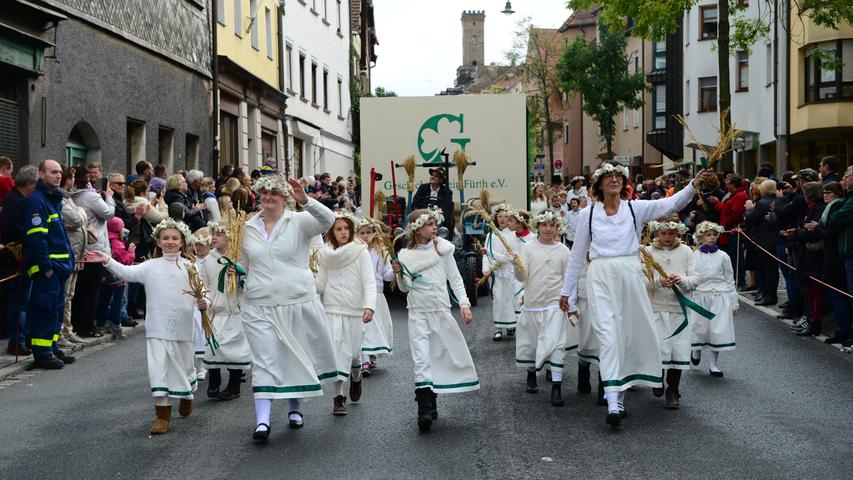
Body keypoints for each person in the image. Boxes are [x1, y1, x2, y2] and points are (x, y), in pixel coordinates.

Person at [560, 162, 709, 429]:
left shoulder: (634, 208)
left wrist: (693, 185)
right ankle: (612, 400)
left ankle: (621, 394)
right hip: (600, 275)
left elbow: (670, 204)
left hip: (629, 274)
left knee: (627, 335)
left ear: (624, 183)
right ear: (599, 184)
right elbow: (576, 255)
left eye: (618, 177)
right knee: (607, 336)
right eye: (609, 177)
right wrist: (566, 292)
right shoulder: (588, 215)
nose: (614, 180)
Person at [237, 174, 337, 442]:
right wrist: (235, 280)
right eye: (264, 193)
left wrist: (306, 200)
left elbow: (329, 221)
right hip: (259, 304)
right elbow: (242, 263)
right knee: (265, 359)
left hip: (296, 301)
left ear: (284, 197)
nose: (268, 197)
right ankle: (262, 421)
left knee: (294, 356)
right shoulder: (247, 227)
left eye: (274, 193)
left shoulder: (300, 221)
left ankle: (294, 409)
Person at [86, 218, 202, 434]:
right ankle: (162, 414)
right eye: (165, 238)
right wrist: (107, 260)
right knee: (158, 368)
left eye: (174, 238)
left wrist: (204, 303)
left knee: (184, 366)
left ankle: (187, 392)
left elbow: (202, 294)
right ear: (158, 241)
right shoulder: (150, 266)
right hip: (157, 327)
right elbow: (127, 273)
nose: (169, 242)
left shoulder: (191, 268)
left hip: (182, 328)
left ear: (182, 242)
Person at [392, 209, 478, 432]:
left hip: (440, 310)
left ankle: (433, 398)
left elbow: (455, 279)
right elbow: (404, 288)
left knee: (438, 355)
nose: (434, 228)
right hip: (418, 313)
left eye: (434, 223)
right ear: (416, 228)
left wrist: (465, 305)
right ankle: (424, 409)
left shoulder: (444, 250)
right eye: (429, 224)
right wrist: (400, 274)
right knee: (421, 358)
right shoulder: (405, 255)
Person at [511, 210, 573, 407]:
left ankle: (556, 386)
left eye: (552, 225)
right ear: (538, 226)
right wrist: (517, 265)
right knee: (532, 343)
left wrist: (570, 301)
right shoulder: (529, 248)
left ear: (558, 228)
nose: (548, 229)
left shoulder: (564, 250)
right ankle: (531, 372)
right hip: (533, 304)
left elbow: (569, 278)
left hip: (555, 304)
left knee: (557, 344)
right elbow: (522, 277)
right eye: (544, 225)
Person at [316, 212, 375, 415]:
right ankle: (338, 396)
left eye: (346, 228)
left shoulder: (360, 252)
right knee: (337, 353)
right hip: (332, 308)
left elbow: (369, 282)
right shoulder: (325, 254)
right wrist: (304, 281)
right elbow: (321, 283)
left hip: (354, 309)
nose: (343, 232)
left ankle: (356, 376)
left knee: (354, 353)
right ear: (332, 231)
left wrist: (369, 306)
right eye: (338, 229)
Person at [23, 160, 76, 369]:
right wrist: (46, 267)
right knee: (44, 310)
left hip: (60, 268)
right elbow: (37, 239)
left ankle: (52, 348)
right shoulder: (36, 201)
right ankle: (42, 353)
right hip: (49, 269)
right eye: (53, 172)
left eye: (60, 173)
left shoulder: (52, 199)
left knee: (56, 310)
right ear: (41, 174)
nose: (58, 176)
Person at [642, 217, 699, 409]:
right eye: (664, 233)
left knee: (678, 349)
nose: (667, 237)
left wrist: (681, 280)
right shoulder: (647, 252)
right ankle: (657, 378)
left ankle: (673, 390)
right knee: (657, 347)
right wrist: (658, 282)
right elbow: (640, 281)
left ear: (678, 233)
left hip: (678, 310)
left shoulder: (686, 251)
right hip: (655, 308)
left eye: (672, 233)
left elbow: (696, 278)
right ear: (657, 232)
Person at [198, 221, 253, 400]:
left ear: (230, 237)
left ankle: (234, 386)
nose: (213, 237)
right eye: (213, 233)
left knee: (234, 349)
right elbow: (204, 285)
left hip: (235, 311)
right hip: (215, 311)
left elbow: (250, 283)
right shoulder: (208, 260)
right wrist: (205, 301)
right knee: (213, 348)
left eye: (219, 234)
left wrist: (240, 277)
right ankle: (214, 382)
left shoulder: (240, 259)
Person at [70, 163, 115, 338]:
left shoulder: (72, 196)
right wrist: (109, 197)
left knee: (80, 290)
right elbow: (109, 214)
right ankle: (88, 326)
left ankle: (78, 324)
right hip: (95, 248)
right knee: (92, 289)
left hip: (81, 247)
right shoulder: (90, 196)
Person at [689, 221, 738, 377]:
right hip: (699, 296)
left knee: (718, 329)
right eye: (708, 235)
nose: (712, 238)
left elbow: (730, 279)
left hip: (719, 296)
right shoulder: (693, 256)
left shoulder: (723, 256)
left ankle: (713, 364)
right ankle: (696, 350)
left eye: (714, 235)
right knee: (699, 327)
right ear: (700, 237)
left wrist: (733, 302)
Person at [0, 165, 38, 356]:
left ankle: (24, 338)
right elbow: (13, 228)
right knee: (19, 302)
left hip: (23, 254)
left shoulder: (19, 198)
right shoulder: (14, 200)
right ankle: (16, 341)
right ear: (30, 183)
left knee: (25, 300)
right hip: (17, 256)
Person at [786, 182, 827, 337]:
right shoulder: (811, 208)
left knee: (815, 291)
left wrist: (798, 233)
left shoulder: (819, 209)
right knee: (808, 291)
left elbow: (813, 231)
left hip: (814, 255)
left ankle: (814, 322)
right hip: (806, 254)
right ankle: (810, 319)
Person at [355, 219, 394, 375]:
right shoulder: (355, 251)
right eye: (362, 233)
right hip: (360, 295)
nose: (365, 236)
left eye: (368, 232)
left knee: (375, 327)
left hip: (376, 295)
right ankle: (363, 360)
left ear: (374, 233)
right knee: (363, 327)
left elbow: (387, 276)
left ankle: (372, 354)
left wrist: (395, 271)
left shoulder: (381, 252)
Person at [812, 182, 849, 344]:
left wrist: (816, 228)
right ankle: (843, 328)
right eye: (824, 192)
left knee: (838, 294)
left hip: (835, 256)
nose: (825, 195)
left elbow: (829, 232)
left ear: (836, 194)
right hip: (831, 254)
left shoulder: (836, 207)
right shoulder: (830, 208)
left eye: (829, 192)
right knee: (835, 293)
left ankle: (843, 329)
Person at [58, 165, 88, 346]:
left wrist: (80, 214)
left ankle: (68, 330)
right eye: (72, 177)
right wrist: (81, 213)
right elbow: (76, 219)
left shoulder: (69, 198)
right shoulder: (62, 199)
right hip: (69, 251)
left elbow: (79, 219)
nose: (73, 181)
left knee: (70, 294)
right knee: (63, 294)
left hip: (77, 251)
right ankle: (60, 332)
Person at [481, 203, 519, 342]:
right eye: (499, 217)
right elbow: (486, 253)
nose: (501, 219)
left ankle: (511, 324)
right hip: (496, 272)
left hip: (510, 271)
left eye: (504, 216)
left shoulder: (514, 234)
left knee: (511, 299)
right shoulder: (491, 235)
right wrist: (486, 269)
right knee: (498, 300)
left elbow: (511, 256)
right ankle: (498, 328)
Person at [743, 179, 780, 306]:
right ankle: (766, 294)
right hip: (771, 238)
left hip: (764, 239)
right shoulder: (776, 200)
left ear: (764, 189)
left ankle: (769, 296)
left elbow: (750, 218)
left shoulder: (762, 203)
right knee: (769, 269)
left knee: (767, 269)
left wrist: (749, 209)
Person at [708, 176, 747, 285]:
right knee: (730, 256)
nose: (726, 186)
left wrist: (724, 225)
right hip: (727, 231)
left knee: (735, 257)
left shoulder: (739, 196)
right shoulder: (733, 196)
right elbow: (725, 209)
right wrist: (717, 203)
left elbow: (735, 214)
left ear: (733, 185)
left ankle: (739, 279)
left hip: (732, 231)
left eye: (728, 184)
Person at [102, 216, 135, 339]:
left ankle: (103, 322)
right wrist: (131, 252)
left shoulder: (106, 241)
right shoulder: (117, 243)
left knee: (105, 301)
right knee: (118, 302)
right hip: (118, 279)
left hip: (106, 277)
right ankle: (116, 325)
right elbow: (125, 260)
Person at [411, 167, 455, 240]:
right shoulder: (423, 188)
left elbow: (448, 206)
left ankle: (445, 238)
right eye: (432, 175)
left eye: (436, 176)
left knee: (448, 218)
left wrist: (440, 212)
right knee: (411, 217)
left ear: (441, 180)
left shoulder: (447, 191)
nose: (433, 177)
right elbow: (415, 202)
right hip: (423, 214)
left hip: (439, 215)